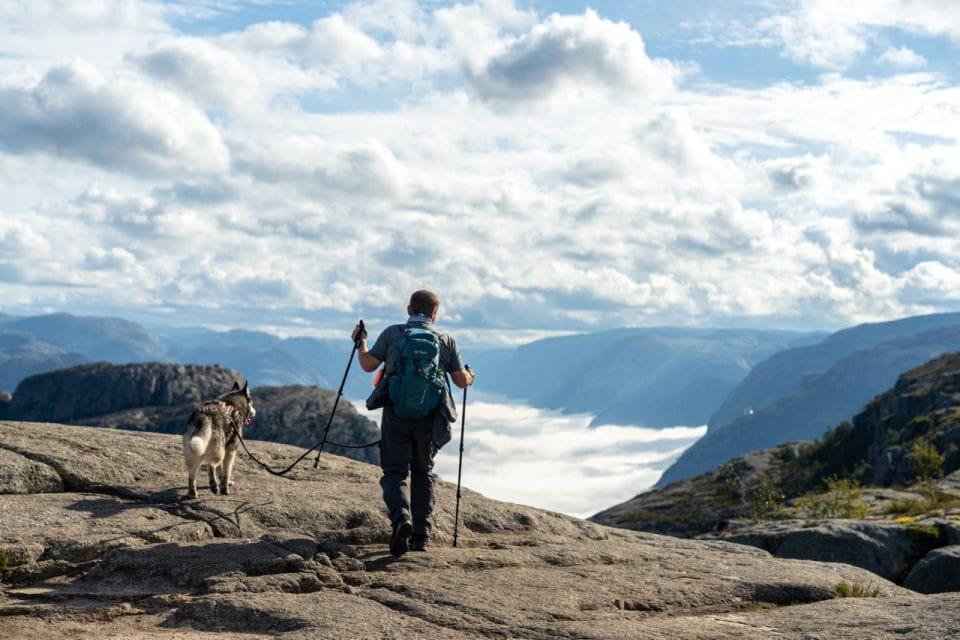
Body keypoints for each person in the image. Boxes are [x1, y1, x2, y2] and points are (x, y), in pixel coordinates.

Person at [352, 290, 474, 556]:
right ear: (434, 314)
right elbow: (461, 381)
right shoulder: (445, 340)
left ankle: (400, 519)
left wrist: (361, 342)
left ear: (409, 309)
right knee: (422, 471)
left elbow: (367, 365)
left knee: (395, 470)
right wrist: (470, 376)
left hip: (396, 412)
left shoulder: (392, 334)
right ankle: (421, 536)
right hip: (430, 416)